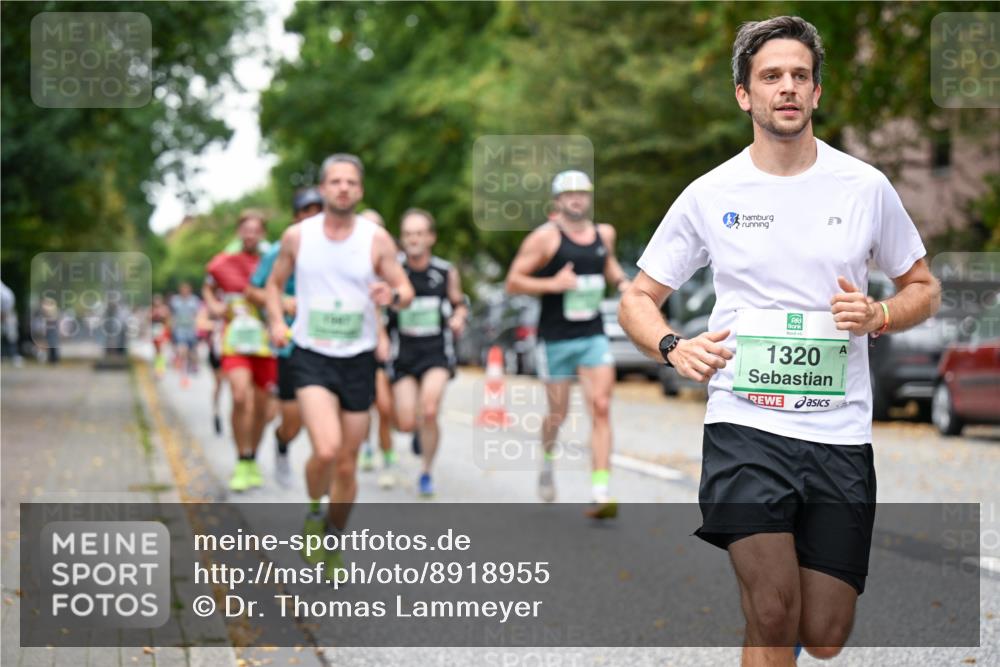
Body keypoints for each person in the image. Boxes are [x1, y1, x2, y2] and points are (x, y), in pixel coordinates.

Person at [618, 16, 941, 664]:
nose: (786, 87)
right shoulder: (712, 193)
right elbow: (637, 297)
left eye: (799, 75)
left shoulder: (864, 186)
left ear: (817, 92)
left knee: (823, 632)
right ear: (745, 94)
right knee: (770, 607)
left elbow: (924, 287)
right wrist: (674, 346)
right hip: (744, 423)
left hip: (839, 433)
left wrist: (878, 313)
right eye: (771, 76)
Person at [265, 153, 413, 575]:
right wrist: (277, 322)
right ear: (324, 187)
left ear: (360, 190)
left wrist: (394, 296)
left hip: (358, 358)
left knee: (347, 463)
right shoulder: (297, 236)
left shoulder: (376, 239)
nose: (343, 188)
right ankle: (315, 511)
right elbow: (274, 287)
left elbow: (404, 289)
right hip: (312, 354)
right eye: (335, 181)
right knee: (326, 449)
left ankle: (333, 539)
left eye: (351, 182)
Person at [505, 170, 630, 519]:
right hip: (555, 338)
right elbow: (513, 282)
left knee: (601, 406)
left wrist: (621, 283)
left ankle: (600, 491)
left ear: (589, 198)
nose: (576, 199)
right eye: (569, 194)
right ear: (557, 201)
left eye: (582, 193)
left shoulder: (605, 233)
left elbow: (606, 262)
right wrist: (554, 284)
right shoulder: (544, 239)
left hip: (592, 334)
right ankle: (546, 461)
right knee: (558, 414)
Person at [246, 187, 324, 486]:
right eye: (307, 211)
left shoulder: (340, 248)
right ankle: (280, 444)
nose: (314, 216)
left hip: (328, 345)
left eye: (319, 210)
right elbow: (253, 289)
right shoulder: (279, 250)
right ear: (296, 218)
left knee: (316, 420)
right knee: (292, 418)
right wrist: (278, 302)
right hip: (290, 346)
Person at [387, 208, 467, 497]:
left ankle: (426, 472)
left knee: (429, 410)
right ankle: (417, 432)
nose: (414, 239)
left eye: (419, 233)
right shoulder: (394, 272)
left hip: (436, 353)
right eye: (408, 234)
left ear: (430, 237)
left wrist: (459, 316)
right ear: (402, 239)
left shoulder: (445, 272)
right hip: (404, 354)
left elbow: (459, 302)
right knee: (407, 421)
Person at [203, 210, 276, 492]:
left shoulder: (271, 261)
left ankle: (253, 457)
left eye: (256, 230)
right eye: (246, 229)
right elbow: (208, 287)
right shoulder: (224, 261)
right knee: (239, 394)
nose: (250, 234)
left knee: (262, 407)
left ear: (262, 234)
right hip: (235, 341)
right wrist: (215, 305)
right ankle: (241, 457)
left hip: (265, 344)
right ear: (239, 232)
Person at [357, 208, 398, 484]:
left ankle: (387, 454)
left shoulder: (391, 264)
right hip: (357, 343)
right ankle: (366, 446)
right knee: (363, 404)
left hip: (388, 345)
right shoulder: (349, 262)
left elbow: (404, 295)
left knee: (385, 406)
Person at [169, 282, 202, 387]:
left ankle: (192, 365)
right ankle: (184, 375)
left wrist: (199, 327)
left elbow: (199, 314)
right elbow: (171, 315)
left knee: (191, 352)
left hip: (191, 329)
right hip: (179, 329)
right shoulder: (175, 301)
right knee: (182, 350)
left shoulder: (194, 300)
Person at [150, 294, 171, 376]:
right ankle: (158, 367)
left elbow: (168, 320)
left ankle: (160, 368)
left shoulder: (164, 309)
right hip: (154, 330)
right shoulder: (152, 309)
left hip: (161, 330)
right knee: (157, 351)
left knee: (160, 350)